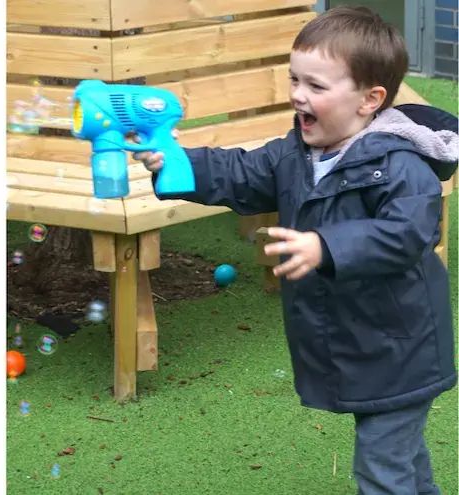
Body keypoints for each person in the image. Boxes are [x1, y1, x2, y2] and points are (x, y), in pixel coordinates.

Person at [132, 6, 457, 494]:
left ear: (370, 99)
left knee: (381, 466)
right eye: (294, 80)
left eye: (316, 87)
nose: (297, 95)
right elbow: (237, 173)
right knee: (402, 459)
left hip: (400, 347)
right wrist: (173, 163)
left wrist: (326, 245)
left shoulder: (400, 165)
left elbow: (408, 233)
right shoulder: (296, 154)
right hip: (359, 341)